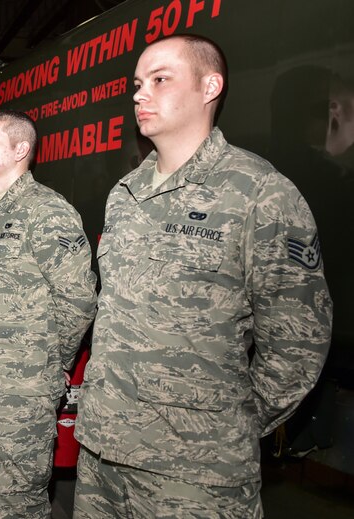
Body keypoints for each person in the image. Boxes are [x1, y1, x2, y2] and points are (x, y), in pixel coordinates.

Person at [73, 35, 333, 518]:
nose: (138, 94)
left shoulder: (259, 192)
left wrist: (227, 424)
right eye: (136, 83)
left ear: (210, 86)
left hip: (194, 471)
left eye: (160, 79)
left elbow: (299, 339)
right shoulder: (123, 194)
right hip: (102, 452)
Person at [0, 109, 98, 518]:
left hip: (21, 389)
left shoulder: (46, 211)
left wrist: (51, 365)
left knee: (15, 499)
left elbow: (78, 300)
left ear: (21, 149)